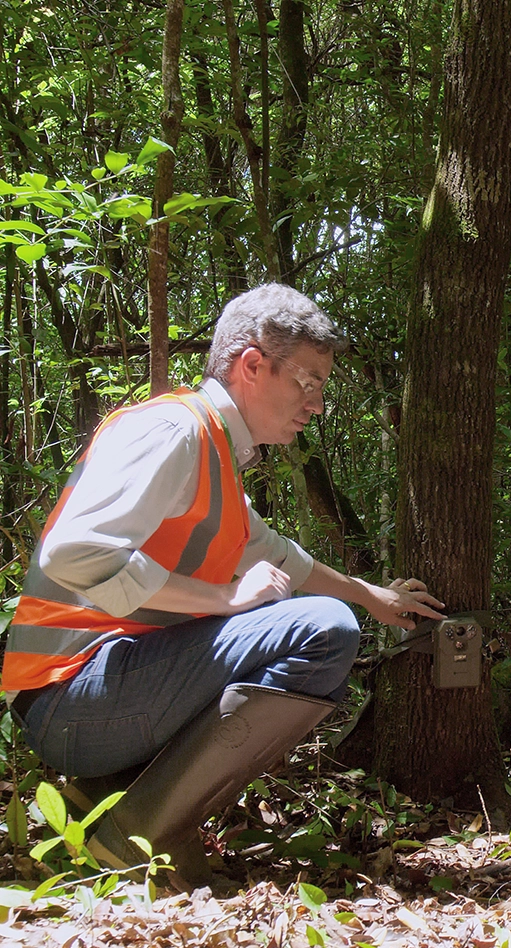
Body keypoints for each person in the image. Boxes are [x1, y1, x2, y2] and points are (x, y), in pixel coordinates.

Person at [2, 282, 444, 887]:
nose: (315, 403)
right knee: (323, 629)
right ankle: (136, 836)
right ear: (252, 365)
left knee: (327, 613)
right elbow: (76, 552)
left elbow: (281, 557)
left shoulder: (213, 454)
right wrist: (222, 599)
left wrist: (371, 596)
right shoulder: (173, 432)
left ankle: (114, 796)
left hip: (96, 698)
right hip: (69, 698)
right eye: (307, 382)